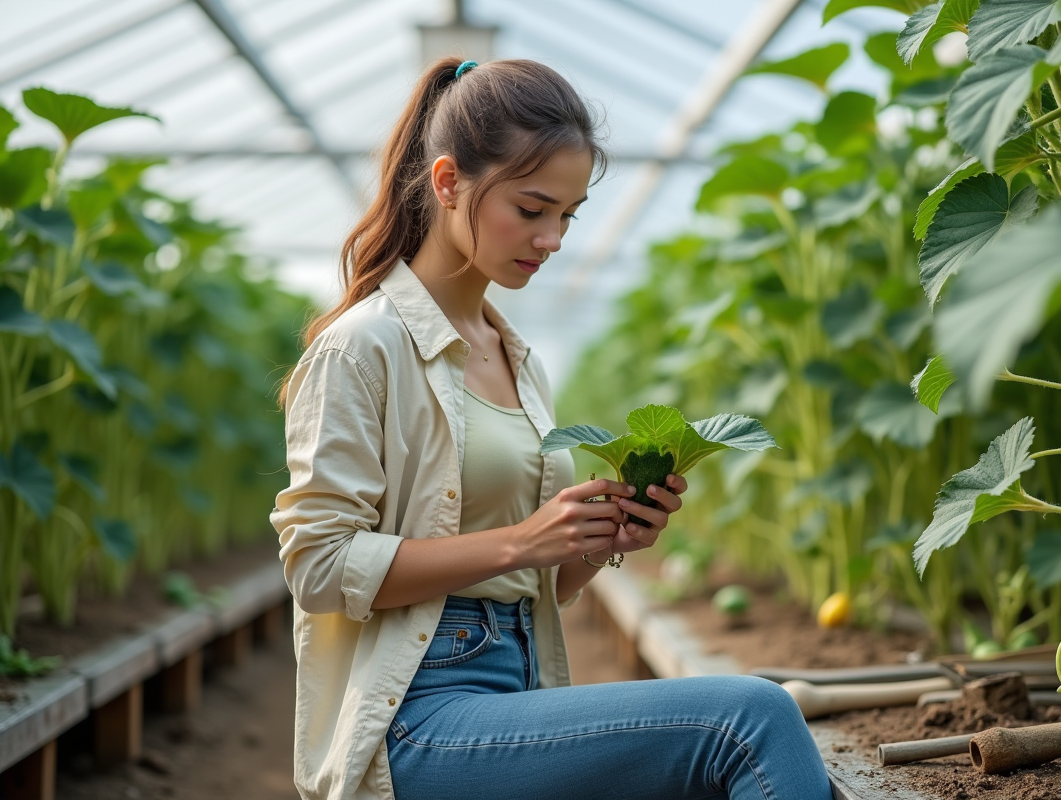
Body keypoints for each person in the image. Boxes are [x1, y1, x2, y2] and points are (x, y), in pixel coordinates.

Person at [271, 56, 833, 800]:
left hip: (517, 682)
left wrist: (605, 541)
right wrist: (520, 540)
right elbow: (317, 565)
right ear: (448, 183)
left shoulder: (518, 359)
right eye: (531, 209)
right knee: (749, 718)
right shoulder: (363, 347)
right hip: (412, 714)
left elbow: (539, 582)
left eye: (568, 215)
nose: (552, 237)